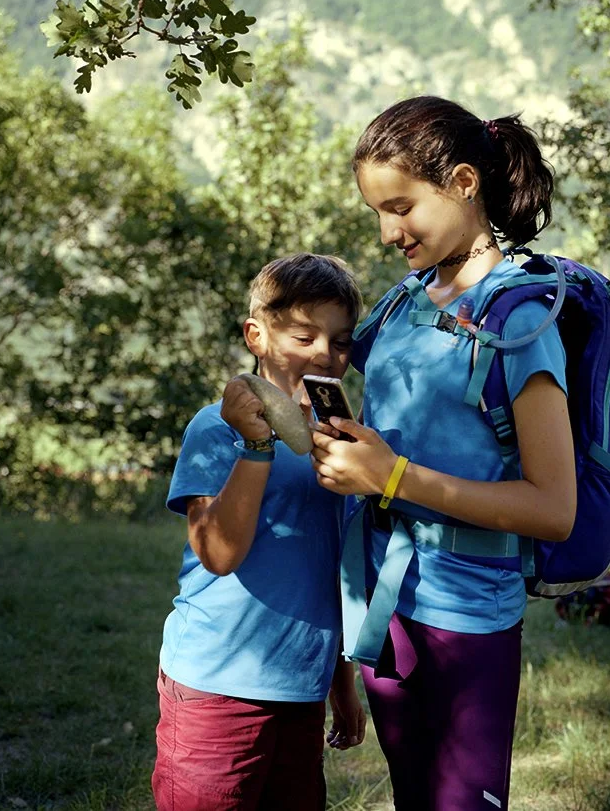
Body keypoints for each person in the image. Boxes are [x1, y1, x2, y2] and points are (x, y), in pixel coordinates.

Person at [310, 96, 577, 810]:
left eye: (401, 206)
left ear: (463, 182)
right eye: (375, 211)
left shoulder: (520, 321)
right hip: (383, 606)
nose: (388, 230)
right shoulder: (401, 303)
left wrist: (390, 475)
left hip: (467, 620)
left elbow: (554, 508)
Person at [152, 253, 368, 811]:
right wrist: (256, 445)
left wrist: (341, 684)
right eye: (304, 336)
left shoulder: (339, 446)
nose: (325, 355)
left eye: (341, 342)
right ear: (257, 335)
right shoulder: (215, 428)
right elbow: (219, 554)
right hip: (216, 688)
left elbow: (336, 570)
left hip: (302, 688)